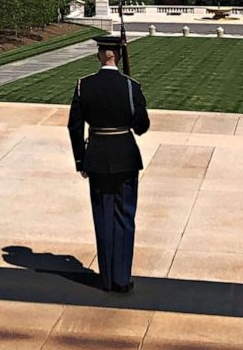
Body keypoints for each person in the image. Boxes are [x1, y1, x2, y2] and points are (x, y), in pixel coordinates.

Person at [67, 33, 150, 293]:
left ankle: (105, 279)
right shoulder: (130, 86)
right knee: (124, 216)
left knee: (103, 217)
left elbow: (75, 126)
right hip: (125, 156)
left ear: (101, 54)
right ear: (118, 55)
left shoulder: (83, 85)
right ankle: (121, 279)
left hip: (98, 157)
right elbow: (142, 127)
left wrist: (81, 160)